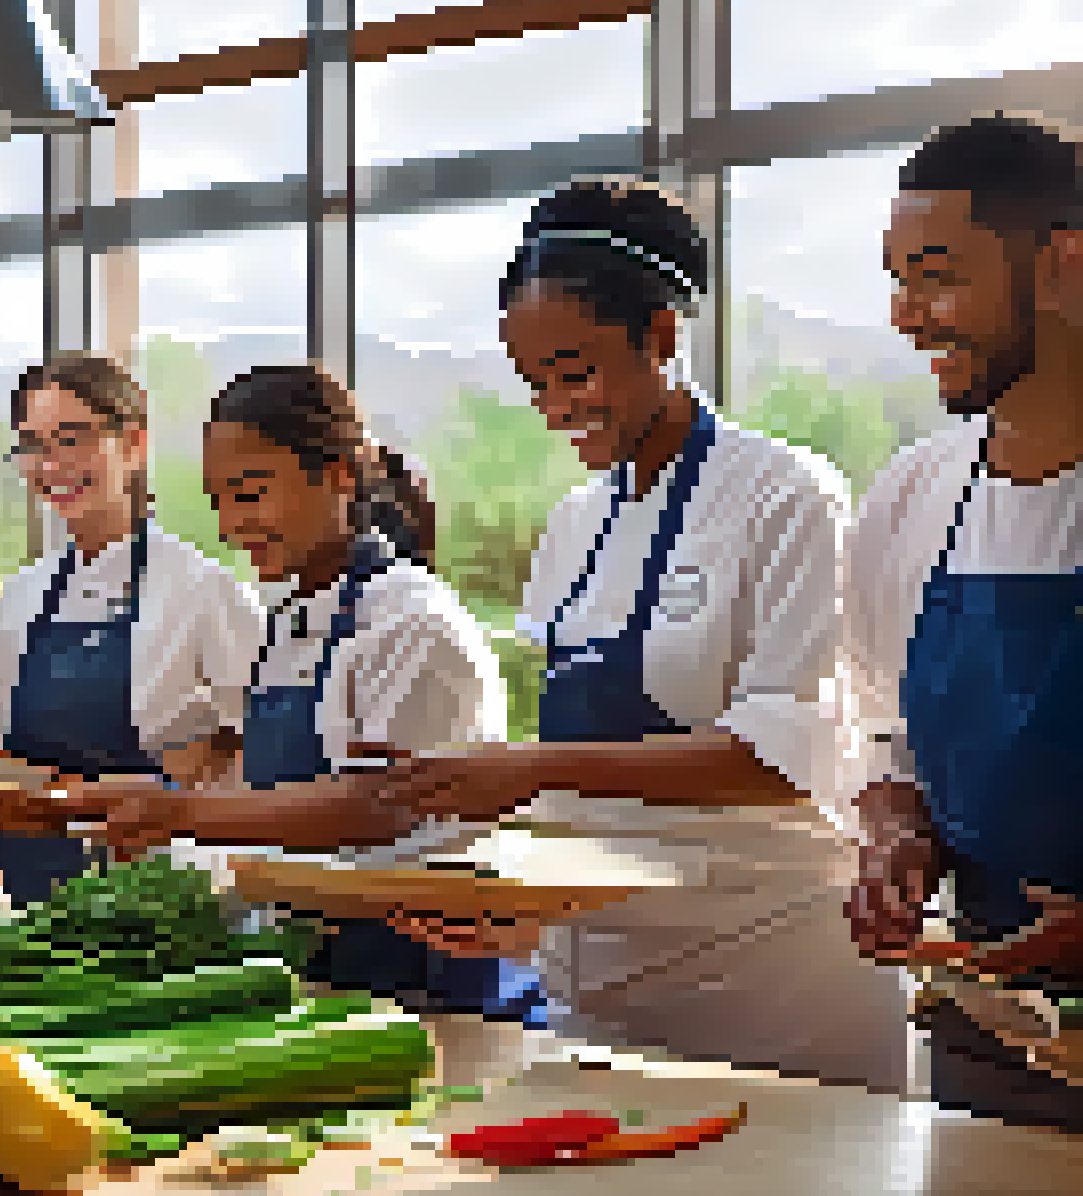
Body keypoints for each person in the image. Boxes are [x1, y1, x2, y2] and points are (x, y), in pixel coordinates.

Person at [93, 181, 907, 1091]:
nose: (558, 406)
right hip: (598, 973)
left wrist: (526, 769)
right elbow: (580, 781)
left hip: (771, 977)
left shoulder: (785, 496)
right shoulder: (573, 527)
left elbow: (782, 758)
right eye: (536, 383)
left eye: (578, 372)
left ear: (663, 336)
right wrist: (490, 894)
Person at [68, 364, 546, 1026]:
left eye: (252, 493)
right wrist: (167, 828)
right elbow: (275, 803)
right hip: (320, 969)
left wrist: (180, 817)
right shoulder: (291, 620)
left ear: (339, 477)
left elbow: (380, 806)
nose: (233, 526)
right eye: (220, 502)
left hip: (428, 979)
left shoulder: (412, 622)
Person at [850, 114, 1083, 1129]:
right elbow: (886, 733)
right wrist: (900, 832)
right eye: (896, 279)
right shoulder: (911, 497)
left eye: (937, 276)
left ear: (1063, 263)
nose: (907, 316)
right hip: (988, 1025)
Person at [0, 353, 265, 905]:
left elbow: (257, 758)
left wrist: (181, 810)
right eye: (33, 444)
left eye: (73, 438)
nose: (52, 463)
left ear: (132, 445)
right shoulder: (19, 596)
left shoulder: (202, 589)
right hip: (25, 884)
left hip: (156, 890)